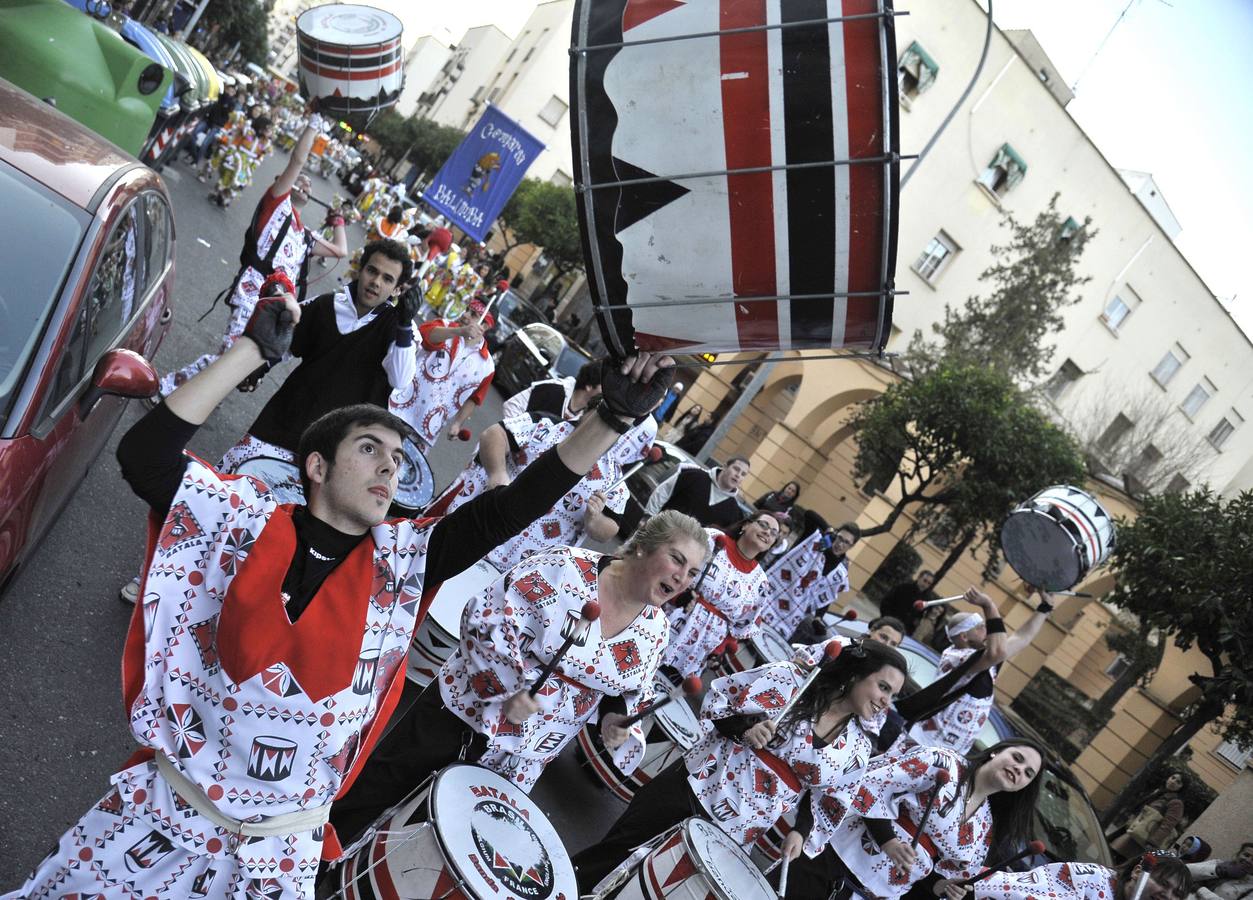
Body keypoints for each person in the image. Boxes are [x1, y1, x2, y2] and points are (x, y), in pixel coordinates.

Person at [3, 268, 678, 897]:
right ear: (317, 467)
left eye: (398, 458)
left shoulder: (405, 561)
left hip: (275, 857)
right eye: (368, 448)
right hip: (161, 816)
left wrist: (609, 423)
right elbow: (143, 456)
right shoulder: (240, 519)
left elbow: (512, 507)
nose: (390, 467)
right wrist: (249, 352)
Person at [327, 510, 710, 847]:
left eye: (692, 572)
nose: (682, 578)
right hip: (466, 711)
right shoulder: (564, 567)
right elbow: (486, 618)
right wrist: (507, 689)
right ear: (643, 547)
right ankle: (314, 867)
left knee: (443, 834)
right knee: (375, 795)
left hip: (528, 755)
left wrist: (617, 722)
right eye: (676, 560)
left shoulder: (656, 629)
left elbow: (630, 691)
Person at [571, 640, 909, 894]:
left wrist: (800, 830)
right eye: (882, 686)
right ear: (855, 675)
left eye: (892, 694)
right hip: (695, 785)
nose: (885, 701)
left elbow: (827, 800)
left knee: (662, 890)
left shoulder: (858, 749)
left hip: (740, 827)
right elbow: (720, 702)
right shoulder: (790, 681)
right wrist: (745, 729)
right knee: (614, 855)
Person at [158, 104, 350, 397]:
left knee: (241, 362)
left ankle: (201, 395)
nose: (305, 183)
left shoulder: (305, 235)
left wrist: (338, 218)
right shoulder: (276, 205)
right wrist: (315, 122)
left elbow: (340, 250)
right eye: (299, 181)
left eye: (308, 185)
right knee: (230, 356)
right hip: (253, 289)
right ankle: (169, 387)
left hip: (277, 303)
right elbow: (297, 161)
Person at [217, 239, 416, 476]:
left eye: (387, 279)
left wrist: (404, 325)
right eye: (372, 271)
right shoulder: (326, 304)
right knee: (231, 483)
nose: (376, 282)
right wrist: (259, 369)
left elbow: (401, 380)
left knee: (285, 512)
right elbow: (287, 341)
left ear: (397, 289)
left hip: (335, 452)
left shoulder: (400, 329)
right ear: (360, 269)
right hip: (284, 420)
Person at [782, 738, 1046, 900]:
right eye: (1017, 758)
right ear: (996, 752)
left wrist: (945, 887)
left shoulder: (985, 831)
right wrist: (888, 842)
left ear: (1024, 786)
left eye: (1028, 773)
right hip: (833, 860)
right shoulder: (942, 763)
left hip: (878, 893)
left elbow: (936, 879)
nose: (1018, 769)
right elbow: (870, 786)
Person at [424, 410, 630, 571]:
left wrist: (594, 520)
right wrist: (497, 474)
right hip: (478, 526)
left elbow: (610, 529)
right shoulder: (546, 425)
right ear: (588, 413)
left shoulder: (613, 476)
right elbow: (494, 435)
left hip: (518, 566)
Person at [903, 587, 1053, 756]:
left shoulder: (983, 659)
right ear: (964, 637)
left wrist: (1045, 607)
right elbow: (999, 651)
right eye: (980, 627)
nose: (987, 630)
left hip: (945, 755)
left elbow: (1021, 638)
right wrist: (989, 606)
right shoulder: (957, 657)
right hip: (922, 747)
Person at [659, 512, 780, 680]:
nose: (768, 533)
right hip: (670, 620)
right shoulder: (713, 539)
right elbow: (672, 563)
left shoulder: (761, 584)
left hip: (700, 650)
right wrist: (677, 596)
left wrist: (719, 651)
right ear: (745, 525)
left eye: (774, 533)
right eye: (763, 525)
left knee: (663, 690)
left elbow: (740, 626)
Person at [388, 300, 495, 452]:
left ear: (485, 326)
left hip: (427, 429)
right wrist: (459, 331)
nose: (465, 315)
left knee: (399, 471)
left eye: (473, 314)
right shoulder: (444, 326)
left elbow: (474, 398)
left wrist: (458, 423)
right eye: (467, 310)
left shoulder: (487, 366)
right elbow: (425, 337)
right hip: (398, 407)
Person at [761, 521, 861, 640]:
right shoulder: (818, 545)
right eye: (839, 538)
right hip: (774, 596)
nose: (840, 544)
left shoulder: (840, 572)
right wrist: (829, 531)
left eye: (846, 542)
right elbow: (809, 516)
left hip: (792, 615)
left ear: (852, 546)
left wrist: (818, 618)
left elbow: (826, 594)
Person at [976, 853, 1194, 900]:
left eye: (1177, 894)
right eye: (1163, 883)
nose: (1167, 895)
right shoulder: (1091, 878)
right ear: (1138, 872)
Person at [644, 454, 750, 528]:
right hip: (655, 532)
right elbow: (662, 493)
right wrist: (648, 517)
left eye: (743, 474)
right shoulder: (692, 475)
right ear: (725, 466)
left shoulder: (734, 513)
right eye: (736, 469)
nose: (738, 475)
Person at [1109, 772, 1188, 860]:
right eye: (1173, 777)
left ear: (1181, 787)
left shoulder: (1176, 803)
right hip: (1132, 830)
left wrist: (1152, 843)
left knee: (1115, 857)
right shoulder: (1160, 793)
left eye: (1178, 782)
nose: (1173, 782)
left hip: (1142, 839)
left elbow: (1168, 825)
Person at [502, 358, 604, 422]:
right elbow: (512, 406)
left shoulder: (586, 417)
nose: (605, 394)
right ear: (589, 386)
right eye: (603, 387)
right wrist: (515, 442)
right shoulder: (553, 389)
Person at [879, 569, 938, 633]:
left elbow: (919, 617)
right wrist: (886, 618)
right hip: (889, 622)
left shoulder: (926, 599)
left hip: (904, 630)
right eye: (924, 581)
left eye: (929, 583)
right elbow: (886, 602)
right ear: (919, 578)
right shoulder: (904, 587)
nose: (925, 584)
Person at [1188, 843, 1253, 900]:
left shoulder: (1250, 887)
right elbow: (1185, 871)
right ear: (1238, 854)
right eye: (1246, 855)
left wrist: (1200, 889)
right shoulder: (1219, 863)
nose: (1248, 860)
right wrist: (1219, 871)